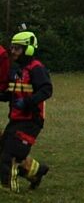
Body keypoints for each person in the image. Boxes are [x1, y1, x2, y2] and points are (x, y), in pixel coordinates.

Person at [0, 32, 51, 191]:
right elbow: (9, 93)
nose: (13, 52)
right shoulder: (16, 70)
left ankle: (8, 189)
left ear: (28, 49)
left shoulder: (37, 69)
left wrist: (28, 102)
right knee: (3, 152)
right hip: (16, 119)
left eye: (17, 48)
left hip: (31, 121)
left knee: (9, 156)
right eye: (12, 48)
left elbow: (47, 90)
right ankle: (36, 172)